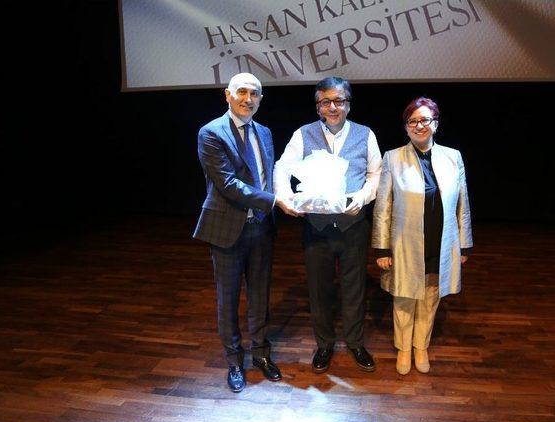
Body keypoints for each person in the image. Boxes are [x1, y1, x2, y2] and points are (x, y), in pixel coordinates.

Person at [193, 73, 300, 392]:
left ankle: (261, 354)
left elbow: (267, 176)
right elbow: (228, 185)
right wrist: (275, 201)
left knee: (260, 295)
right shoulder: (211, 132)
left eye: (255, 94)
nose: (248, 98)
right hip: (227, 228)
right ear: (227, 95)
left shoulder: (264, 132)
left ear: (260, 99)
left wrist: (288, 193)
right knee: (228, 299)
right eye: (241, 91)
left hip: (261, 228)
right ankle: (234, 362)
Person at [274, 76, 382, 373]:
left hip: (353, 224)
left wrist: (362, 197)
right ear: (318, 105)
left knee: (354, 287)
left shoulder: (365, 134)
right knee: (319, 289)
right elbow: (282, 167)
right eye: (325, 102)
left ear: (348, 103)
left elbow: (375, 174)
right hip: (316, 226)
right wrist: (284, 198)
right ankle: (324, 344)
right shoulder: (303, 134)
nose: (332, 107)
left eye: (339, 101)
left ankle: (356, 342)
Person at [372, 96, 473, 375]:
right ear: (406, 127)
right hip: (405, 243)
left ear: (435, 124)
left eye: (425, 119)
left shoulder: (453, 157)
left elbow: (463, 203)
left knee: (431, 296)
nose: (419, 125)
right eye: (413, 121)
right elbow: (383, 207)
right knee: (404, 297)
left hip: (441, 242)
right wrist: (381, 249)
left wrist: (463, 245)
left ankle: (421, 346)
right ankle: (404, 348)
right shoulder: (393, 157)